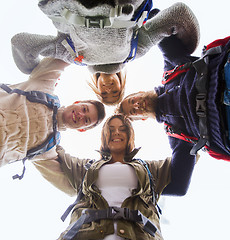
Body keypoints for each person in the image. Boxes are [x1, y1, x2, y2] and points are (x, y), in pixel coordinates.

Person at [33, 114, 197, 239]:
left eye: (122, 128)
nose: (116, 132)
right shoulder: (85, 168)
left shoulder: (150, 169)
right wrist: (58, 118)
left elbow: (187, 154)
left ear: (130, 135)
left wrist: (162, 113)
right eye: (110, 129)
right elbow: (48, 149)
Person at [11, 2, 200, 104]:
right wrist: (187, 53)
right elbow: (179, 14)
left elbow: (20, 43)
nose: (109, 87)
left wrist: (31, 71)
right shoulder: (134, 52)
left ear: (97, 86)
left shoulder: (73, 56)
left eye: (104, 92)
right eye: (115, 91)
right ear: (121, 81)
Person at [117, 35, 230, 161]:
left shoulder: (171, 69)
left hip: (223, 73)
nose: (137, 105)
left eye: (132, 101)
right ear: (142, 118)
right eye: (133, 111)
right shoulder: (176, 136)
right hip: (225, 127)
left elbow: (157, 29)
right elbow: (179, 180)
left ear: (139, 92)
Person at [0, 57, 105, 170]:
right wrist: (85, 56)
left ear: (82, 129)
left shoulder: (49, 151)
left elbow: (71, 179)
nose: (81, 115)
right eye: (84, 109)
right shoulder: (44, 86)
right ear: (77, 102)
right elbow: (63, 55)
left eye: (86, 120)